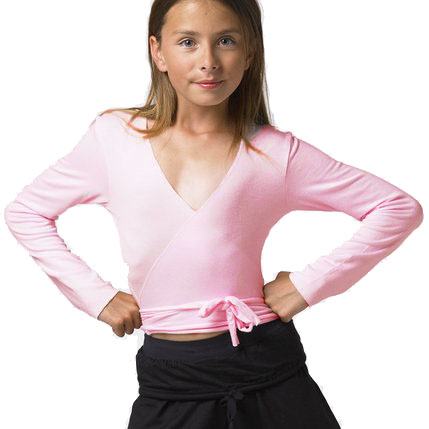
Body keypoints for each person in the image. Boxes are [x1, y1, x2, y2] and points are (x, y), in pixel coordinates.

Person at [4, 0, 424, 428]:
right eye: (188, 42)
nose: (208, 61)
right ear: (158, 52)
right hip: (170, 378)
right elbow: (27, 212)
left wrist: (308, 284)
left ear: (250, 52)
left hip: (270, 373)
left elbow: (396, 208)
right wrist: (97, 297)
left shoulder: (276, 153)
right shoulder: (113, 138)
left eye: (226, 41)